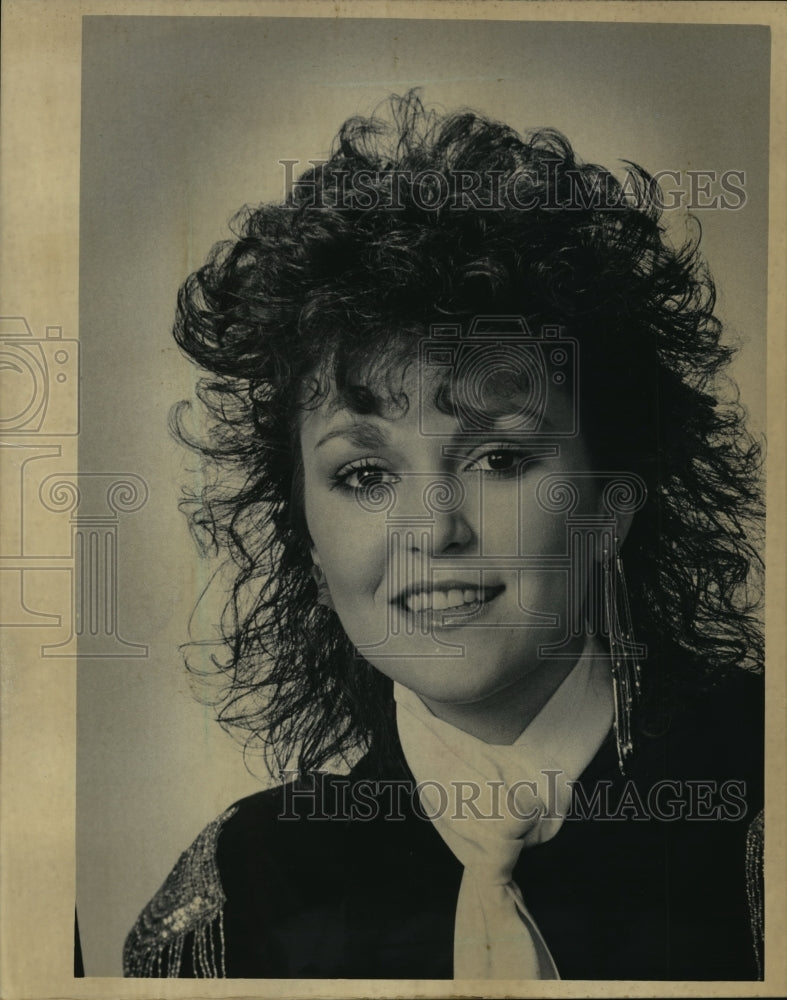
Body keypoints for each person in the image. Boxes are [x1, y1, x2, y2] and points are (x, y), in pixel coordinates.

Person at [123, 92, 764, 981]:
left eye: (500, 458)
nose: (434, 531)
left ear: (609, 506)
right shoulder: (243, 894)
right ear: (310, 546)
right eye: (365, 476)